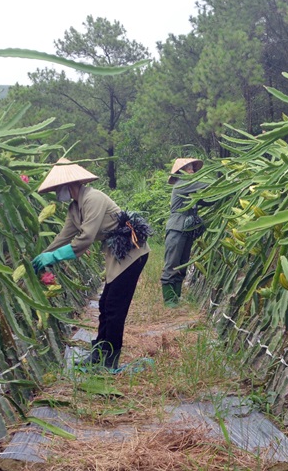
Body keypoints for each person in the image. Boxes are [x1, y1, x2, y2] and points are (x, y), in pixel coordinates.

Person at [32, 158, 150, 370]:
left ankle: (110, 361)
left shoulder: (92, 199)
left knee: (114, 308)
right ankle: (98, 354)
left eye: (58, 188)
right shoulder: (74, 208)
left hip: (131, 253)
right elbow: (64, 236)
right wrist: (43, 255)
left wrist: (55, 257)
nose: (58, 193)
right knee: (105, 305)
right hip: (116, 255)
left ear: (69, 185)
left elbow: (86, 238)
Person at [161, 158, 208, 307]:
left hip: (186, 229)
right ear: (180, 172)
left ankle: (176, 297)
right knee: (173, 263)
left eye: (193, 168)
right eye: (189, 168)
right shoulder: (182, 185)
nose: (192, 171)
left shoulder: (190, 190)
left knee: (182, 263)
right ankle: (169, 300)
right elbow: (206, 185)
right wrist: (228, 183)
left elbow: (205, 200)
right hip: (177, 228)